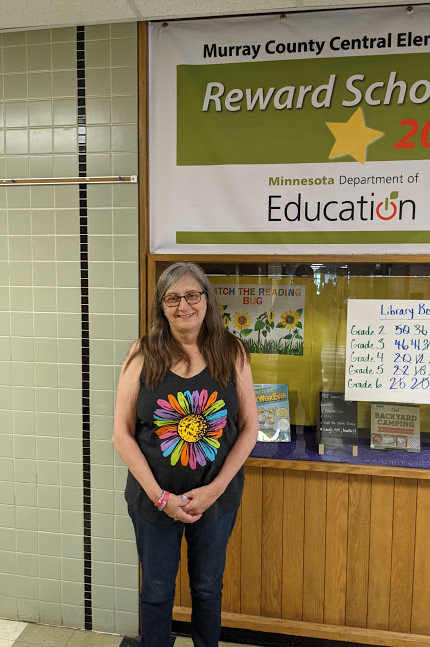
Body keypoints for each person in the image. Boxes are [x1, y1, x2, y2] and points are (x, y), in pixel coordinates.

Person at [113, 261, 258, 647]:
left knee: (208, 589)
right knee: (157, 591)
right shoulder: (142, 354)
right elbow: (121, 434)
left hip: (215, 501)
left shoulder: (232, 351)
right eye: (172, 298)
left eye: (192, 295)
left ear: (207, 300)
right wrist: (160, 497)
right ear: (161, 306)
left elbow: (249, 429)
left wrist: (214, 490)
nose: (184, 305)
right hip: (153, 502)